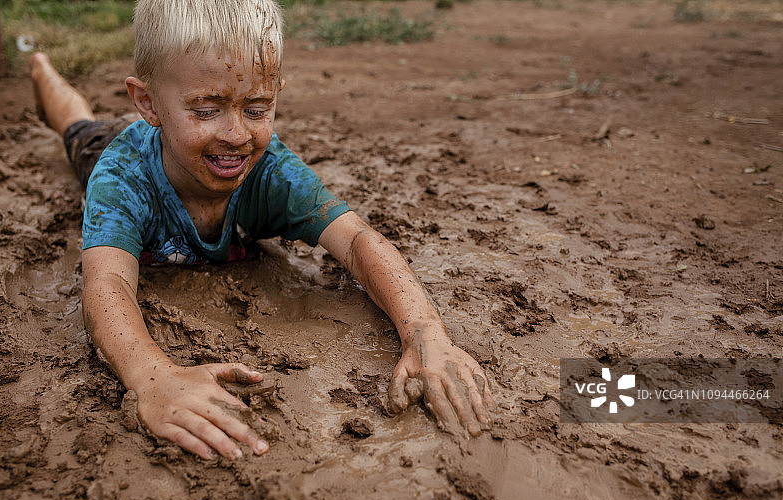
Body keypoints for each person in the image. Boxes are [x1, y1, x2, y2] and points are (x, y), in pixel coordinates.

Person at [30, 0, 493, 461]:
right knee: (79, 128)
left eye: (256, 108)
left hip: (176, 140)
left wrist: (426, 334)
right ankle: (42, 69)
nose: (236, 135)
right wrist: (154, 377)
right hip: (113, 148)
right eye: (206, 109)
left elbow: (356, 240)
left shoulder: (272, 171)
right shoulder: (121, 177)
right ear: (147, 103)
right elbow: (107, 283)